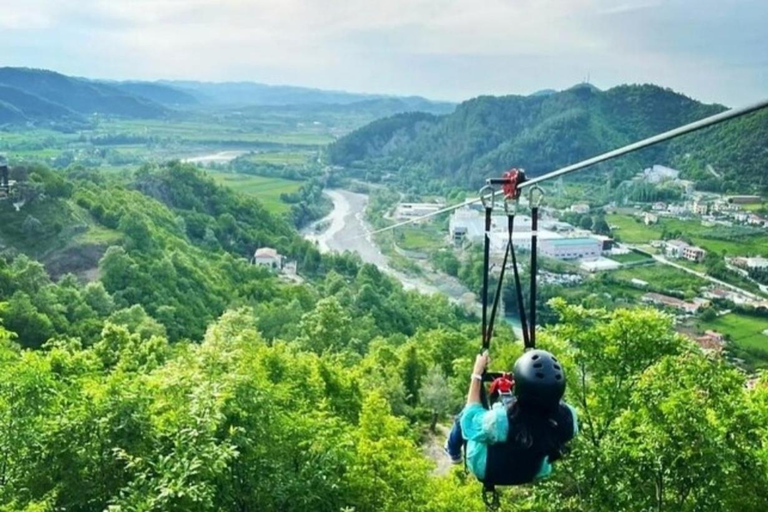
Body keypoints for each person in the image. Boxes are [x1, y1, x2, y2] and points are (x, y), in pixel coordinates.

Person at [446, 349, 578, 484]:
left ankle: (453, 451)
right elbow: (539, 411)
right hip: (531, 471)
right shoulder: (568, 418)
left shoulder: (502, 421)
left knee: (465, 415)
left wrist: (477, 374)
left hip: (488, 469)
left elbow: (470, 418)